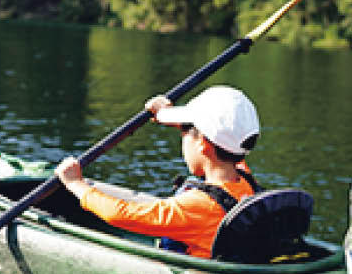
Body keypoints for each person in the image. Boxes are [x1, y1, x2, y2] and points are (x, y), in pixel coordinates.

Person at [54, 85, 262, 259]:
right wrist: (168, 116)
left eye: (184, 133)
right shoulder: (244, 180)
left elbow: (121, 214)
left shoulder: (196, 206)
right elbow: (224, 142)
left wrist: (76, 185)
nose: (182, 137)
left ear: (203, 144)